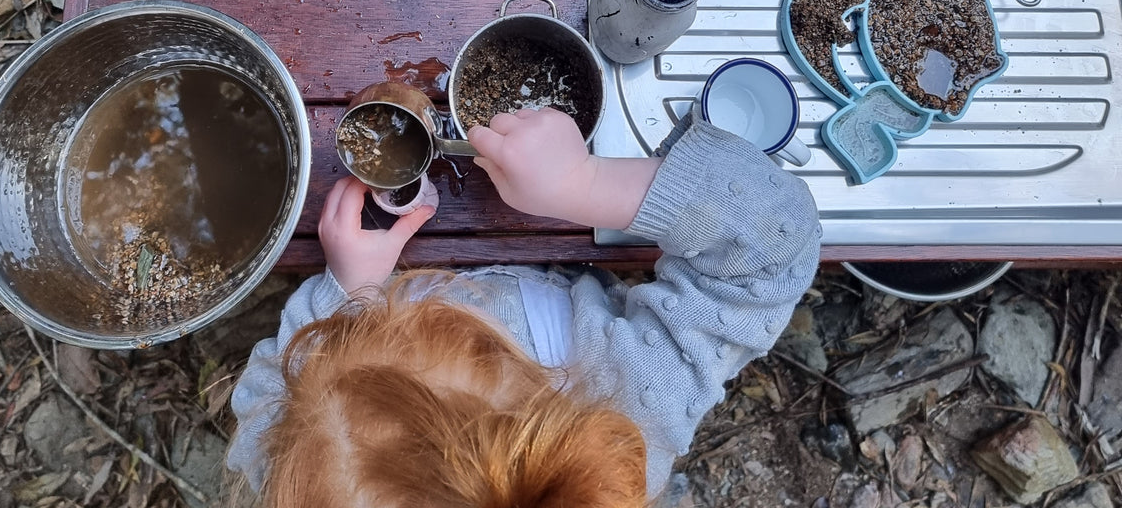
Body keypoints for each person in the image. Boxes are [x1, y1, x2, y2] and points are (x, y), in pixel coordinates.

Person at [227, 102, 821, 508]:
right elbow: (776, 242)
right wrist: (583, 183)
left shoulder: (293, 465)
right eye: (410, 323)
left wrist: (349, 294)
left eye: (366, 336)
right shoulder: (635, 401)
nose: (397, 307)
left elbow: (261, 395)